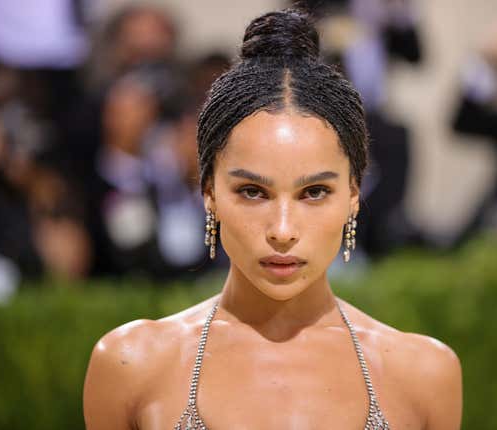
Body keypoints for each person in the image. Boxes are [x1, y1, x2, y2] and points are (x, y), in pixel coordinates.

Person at [83, 8, 462, 430]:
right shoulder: (131, 364)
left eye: (314, 192)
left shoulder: (425, 374)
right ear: (208, 191)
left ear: (354, 195)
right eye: (253, 192)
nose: (282, 230)